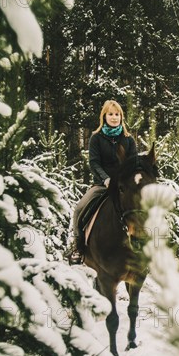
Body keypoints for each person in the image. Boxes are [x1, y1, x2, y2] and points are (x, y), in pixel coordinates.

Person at [66, 100, 137, 264]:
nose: (114, 117)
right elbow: (94, 163)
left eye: (117, 114)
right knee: (78, 210)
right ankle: (78, 248)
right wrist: (105, 179)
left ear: (121, 117)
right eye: (110, 114)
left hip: (124, 186)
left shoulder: (128, 139)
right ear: (104, 117)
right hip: (102, 185)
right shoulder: (96, 138)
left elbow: (133, 163)